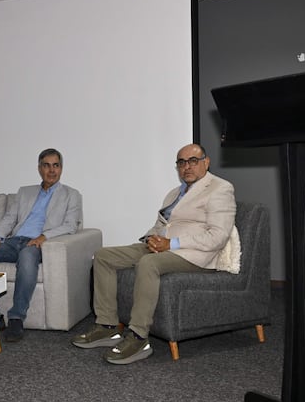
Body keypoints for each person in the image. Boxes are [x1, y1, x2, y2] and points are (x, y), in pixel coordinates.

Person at [71, 143, 238, 365]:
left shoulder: (220, 188)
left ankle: (139, 337)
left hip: (195, 254)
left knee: (148, 263)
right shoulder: (174, 193)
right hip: (165, 246)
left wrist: (172, 243)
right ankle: (107, 326)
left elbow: (218, 236)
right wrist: (150, 239)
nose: (186, 167)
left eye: (193, 161)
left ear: (206, 163)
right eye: (181, 162)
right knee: (103, 256)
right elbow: (161, 225)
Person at [0, 148, 82, 342]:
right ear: (39, 168)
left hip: (38, 243)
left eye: (56, 165)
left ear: (61, 168)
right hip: (15, 241)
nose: (52, 170)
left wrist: (43, 236)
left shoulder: (71, 194)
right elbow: (9, 219)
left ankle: (16, 318)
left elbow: (71, 226)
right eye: (46, 165)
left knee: (27, 256)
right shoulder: (25, 192)